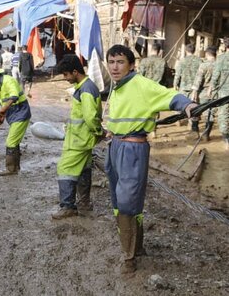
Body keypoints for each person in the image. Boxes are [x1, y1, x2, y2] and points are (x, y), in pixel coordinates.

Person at [104, 45, 197, 274]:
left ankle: (129, 258)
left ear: (131, 65)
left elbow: (169, 95)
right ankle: (136, 247)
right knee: (119, 200)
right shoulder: (117, 87)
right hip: (115, 146)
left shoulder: (141, 84)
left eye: (120, 62)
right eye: (111, 62)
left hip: (133, 149)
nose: (115, 67)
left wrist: (187, 105)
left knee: (127, 200)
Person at [52, 55, 103, 220]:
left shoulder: (86, 89)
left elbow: (90, 117)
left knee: (65, 169)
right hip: (82, 138)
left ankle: (68, 206)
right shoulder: (86, 86)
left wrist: (99, 132)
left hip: (79, 140)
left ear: (75, 72)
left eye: (66, 75)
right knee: (83, 169)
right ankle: (84, 203)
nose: (65, 79)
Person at [0, 65, 31, 176]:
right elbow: (5, 102)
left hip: (21, 112)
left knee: (11, 142)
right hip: (12, 113)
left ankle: (11, 169)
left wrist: (3, 109)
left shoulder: (8, 81)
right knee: (14, 141)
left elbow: (14, 97)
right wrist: (1, 117)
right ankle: (15, 167)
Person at [174, 44, 202, 137]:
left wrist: (175, 85)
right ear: (194, 50)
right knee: (194, 107)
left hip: (184, 87)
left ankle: (178, 120)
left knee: (181, 105)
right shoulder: (200, 61)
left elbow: (177, 74)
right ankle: (192, 125)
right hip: (195, 88)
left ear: (186, 51)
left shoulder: (182, 61)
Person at [191, 46, 217, 141]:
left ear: (207, 54)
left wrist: (194, 91)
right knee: (210, 114)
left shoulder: (204, 65)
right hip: (215, 93)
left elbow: (198, 79)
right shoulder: (219, 65)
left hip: (203, 92)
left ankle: (195, 131)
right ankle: (206, 134)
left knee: (196, 111)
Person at [210, 37, 229, 150]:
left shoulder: (221, 58)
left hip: (224, 93)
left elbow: (215, 76)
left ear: (225, 46)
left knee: (223, 115)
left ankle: (226, 140)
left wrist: (211, 89)